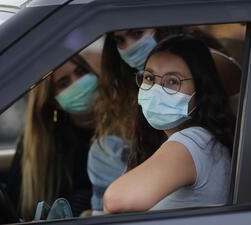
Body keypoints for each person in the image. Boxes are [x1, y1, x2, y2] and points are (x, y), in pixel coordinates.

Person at [88, 27, 241, 213]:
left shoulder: (191, 142)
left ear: (200, 92)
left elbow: (116, 201)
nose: (156, 90)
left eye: (172, 81)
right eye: (149, 78)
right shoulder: (202, 142)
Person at [7, 54, 99, 220]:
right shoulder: (42, 145)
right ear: (53, 101)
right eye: (63, 83)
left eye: (81, 72)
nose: (77, 83)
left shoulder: (125, 124)